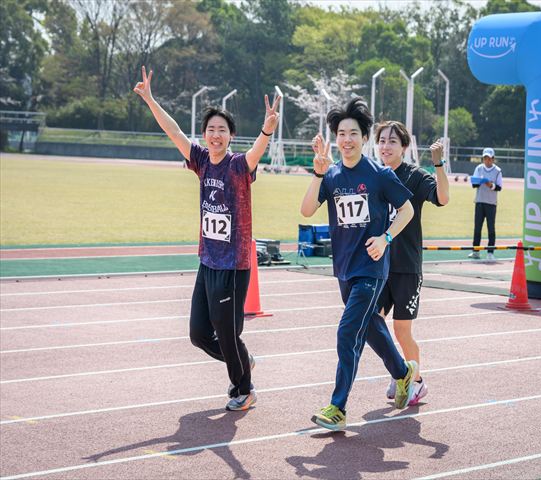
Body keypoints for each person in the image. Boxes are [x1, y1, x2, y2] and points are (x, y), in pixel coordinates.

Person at [133, 66, 281, 411]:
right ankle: (242, 361)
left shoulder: (237, 165)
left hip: (233, 264)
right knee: (199, 334)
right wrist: (151, 101)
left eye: (222, 130)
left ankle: (244, 388)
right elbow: (173, 131)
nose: (216, 135)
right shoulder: (201, 160)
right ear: (205, 134)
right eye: (211, 130)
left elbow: (256, 153)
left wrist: (266, 130)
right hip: (208, 260)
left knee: (228, 333)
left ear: (230, 136)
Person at [300, 97, 418, 432]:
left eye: (353, 133)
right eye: (341, 133)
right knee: (370, 328)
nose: (347, 139)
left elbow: (407, 210)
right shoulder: (331, 175)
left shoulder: (379, 175)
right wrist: (318, 172)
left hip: (372, 268)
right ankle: (403, 372)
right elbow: (306, 210)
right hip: (344, 268)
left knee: (348, 331)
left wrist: (385, 238)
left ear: (364, 138)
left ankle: (337, 407)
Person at [374, 121, 449, 406]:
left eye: (392, 141)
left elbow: (442, 198)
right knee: (373, 322)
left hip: (406, 267)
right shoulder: (375, 174)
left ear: (404, 147)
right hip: (378, 266)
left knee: (402, 330)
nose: (386, 146)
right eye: (382, 140)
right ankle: (400, 371)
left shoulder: (414, 176)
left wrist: (438, 164)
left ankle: (416, 382)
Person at [469, 147, 502, 261]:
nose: (487, 160)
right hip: (479, 201)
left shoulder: (497, 171)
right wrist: (479, 181)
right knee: (477, 228)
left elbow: (499, 187)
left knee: (491, 228)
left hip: (491, 203)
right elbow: (474, 184)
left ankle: (490, 252)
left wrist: (490, 185)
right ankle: (475, 251)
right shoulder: (479, 168)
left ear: (493, 159)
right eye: (485, 158)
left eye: (489, 158)